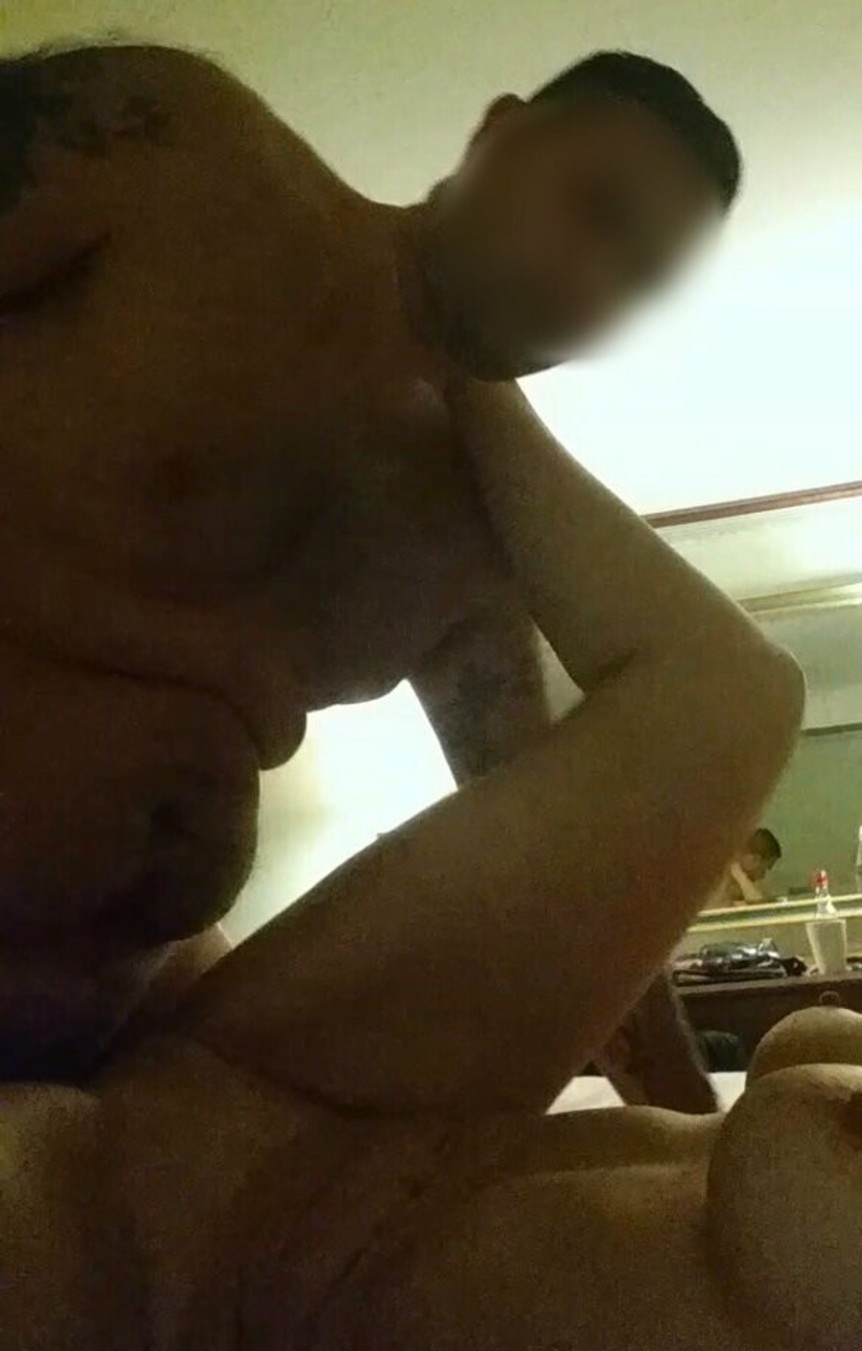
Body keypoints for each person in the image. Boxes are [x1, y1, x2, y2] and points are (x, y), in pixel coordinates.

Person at [3, 389, 862, 1351]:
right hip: (296, 1131)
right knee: (731, 693)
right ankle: (454, 353)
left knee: (718, 689)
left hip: (182, 1303)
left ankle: (450, 354)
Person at [0, 41, 747, 1110]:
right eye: (594, 209)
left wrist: (683, 1120)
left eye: (641, 280)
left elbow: (552, 870)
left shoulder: (475, 541)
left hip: (92, 1050)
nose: (593, 286)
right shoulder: (178, 150)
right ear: (498, 134)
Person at [715, 825, 783, 905]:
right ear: (755, 859)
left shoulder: (748, 883)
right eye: (768, 867)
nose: (764, 875)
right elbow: (759, 908)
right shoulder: (724, 881)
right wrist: (740, 876)